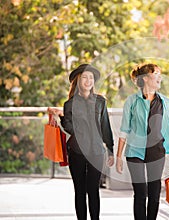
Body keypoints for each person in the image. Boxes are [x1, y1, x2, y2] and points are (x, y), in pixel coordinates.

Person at [116, 63, 169, 220]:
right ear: (145, 78)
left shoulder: (166, 103)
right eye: (156, 73)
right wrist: (119, 156)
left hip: (157, 151)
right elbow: (124, 130)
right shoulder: (132, 101)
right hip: (135, 151)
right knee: (140, 193)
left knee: (154, 193)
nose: (160, 77)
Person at [48, 63, 114, 220]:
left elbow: (105, 126)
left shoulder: (100, 102)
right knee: (79, 191)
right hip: (77, 151)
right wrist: (63, 117)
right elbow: (70, 128)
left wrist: (110, 149)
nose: (88, 81)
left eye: (91, 78)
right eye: (85, 77)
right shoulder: (69, 104)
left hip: (97, 152)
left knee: (93, 190)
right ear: (78, 80)